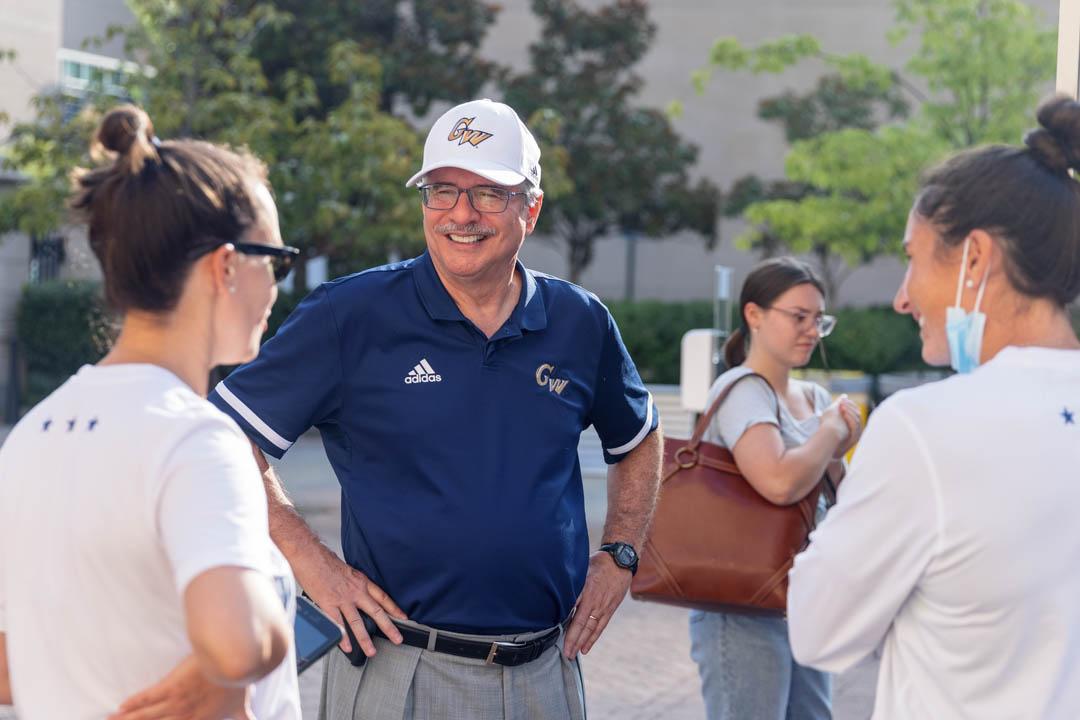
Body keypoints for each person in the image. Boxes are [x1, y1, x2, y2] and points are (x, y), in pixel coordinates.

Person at [206, 98, 663, 719]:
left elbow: (639, 439)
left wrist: (621, 553)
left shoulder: (580, 323)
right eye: (442, 191)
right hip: (403, 672)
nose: (461, 215)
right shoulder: (352, 315)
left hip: (544, 675)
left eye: (488, 194)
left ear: (531, 206)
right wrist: (311, 562)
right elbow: (221, 438)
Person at [0, 105, 302, 718]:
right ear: (225, 265)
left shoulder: (31, 434)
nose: (276, 287)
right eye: (273, 261)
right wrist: (224, 662)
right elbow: (238, 645)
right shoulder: (197, 441)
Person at [787, 96, 1080, 718]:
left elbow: (817, 631)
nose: (901, 297)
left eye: (912, 259)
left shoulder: (925, 430)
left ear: (975, 257)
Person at [688, 257, 862, 720]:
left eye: (818, 320)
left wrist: (845, 443)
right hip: (741, 602)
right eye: (798, 317)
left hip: (799, 598)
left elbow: (838, 500)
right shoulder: (742, 389)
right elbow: (780, 482)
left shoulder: (817, 398)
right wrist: (830, 435)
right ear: (754, 315)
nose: (810, 330)